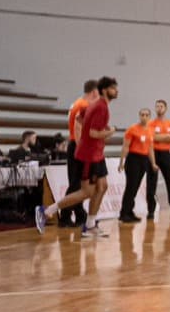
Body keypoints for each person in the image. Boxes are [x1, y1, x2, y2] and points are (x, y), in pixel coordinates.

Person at [36, 76, 116, 238]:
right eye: (113, 88)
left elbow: (81, 121)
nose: (116, 91)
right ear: (100, 91)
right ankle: (48, 211)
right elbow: (88, 130)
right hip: (89, 153)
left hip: (94, 152)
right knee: (85, 191)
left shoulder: (88, 105)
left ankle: (89, 223)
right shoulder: (93, 106)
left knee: (102, 186)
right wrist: (109, 132)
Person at [63, 81, 99, 227]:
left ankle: (79, 214)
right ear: (94, 92)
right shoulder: (84, 106)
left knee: (79, 184)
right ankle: (65, 216)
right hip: (79, 145)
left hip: (75, 144)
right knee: (76, 184)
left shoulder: (76, 103)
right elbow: (80, 129)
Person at [117, 108, 158, 223]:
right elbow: (125, 146)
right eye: (142, 115)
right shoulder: (132, 129)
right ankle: (124, 213)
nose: (144, 117)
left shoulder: (151, 130)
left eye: (146, 115)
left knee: (135, 187)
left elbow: (150, 148)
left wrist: (153, 163)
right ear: (139, 116)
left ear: (149, 117)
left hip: (144, 160)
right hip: (133, 159)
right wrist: (121, 162)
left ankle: (129, 211)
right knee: (131, 187)